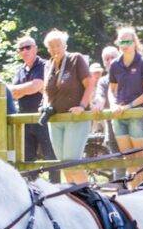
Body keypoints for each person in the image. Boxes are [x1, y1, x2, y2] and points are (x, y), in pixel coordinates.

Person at [41, 29, 92, 176]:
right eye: (51, 46)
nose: (55, 49)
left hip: (75, 118)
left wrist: (82, 106)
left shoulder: (76, 59)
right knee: (63, 164)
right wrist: (45, 106)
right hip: (55, 119)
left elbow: (90, 85)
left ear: (65, 45)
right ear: (47, 49)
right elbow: (46, 90)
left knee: (71, 162)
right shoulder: (48, 65)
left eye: (58, 45)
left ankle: (85, 190)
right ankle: (72, 191)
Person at [9, 36, 58, 175]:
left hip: (44, 118)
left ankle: (56, 185)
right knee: (27, 159)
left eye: (28, 47)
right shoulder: (19, 70)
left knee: (51, 157)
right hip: (24, 120)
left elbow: (37, 85)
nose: (25, 51)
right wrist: (28, 88)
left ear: (35, 48)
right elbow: (13, 94)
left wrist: (21, 90)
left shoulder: (44, 65)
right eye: (21, 48)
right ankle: (32, 186)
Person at [108, 27, 143, 158]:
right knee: (128, 158)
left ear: (135, 42)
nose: (125, 45)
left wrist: (129, 106)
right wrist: (113, 105)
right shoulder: (114, 64)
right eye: (122, 41)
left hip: (137, 114)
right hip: (118, 115)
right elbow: (111, 90)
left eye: (128, 41)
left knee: (141, 157)